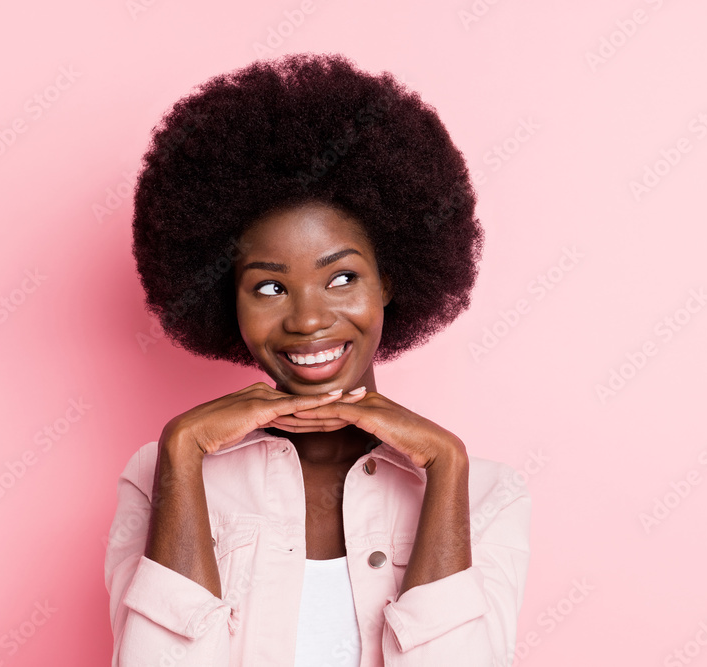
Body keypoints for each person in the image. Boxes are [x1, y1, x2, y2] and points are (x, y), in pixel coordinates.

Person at [104, 52, 531, 666]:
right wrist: (183, 450)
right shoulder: (160, 473)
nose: (307, 320)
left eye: (341, 278)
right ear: (228, 297)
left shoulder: (486, 493)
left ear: (390, 280)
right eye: (270, 287)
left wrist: (444, 467)